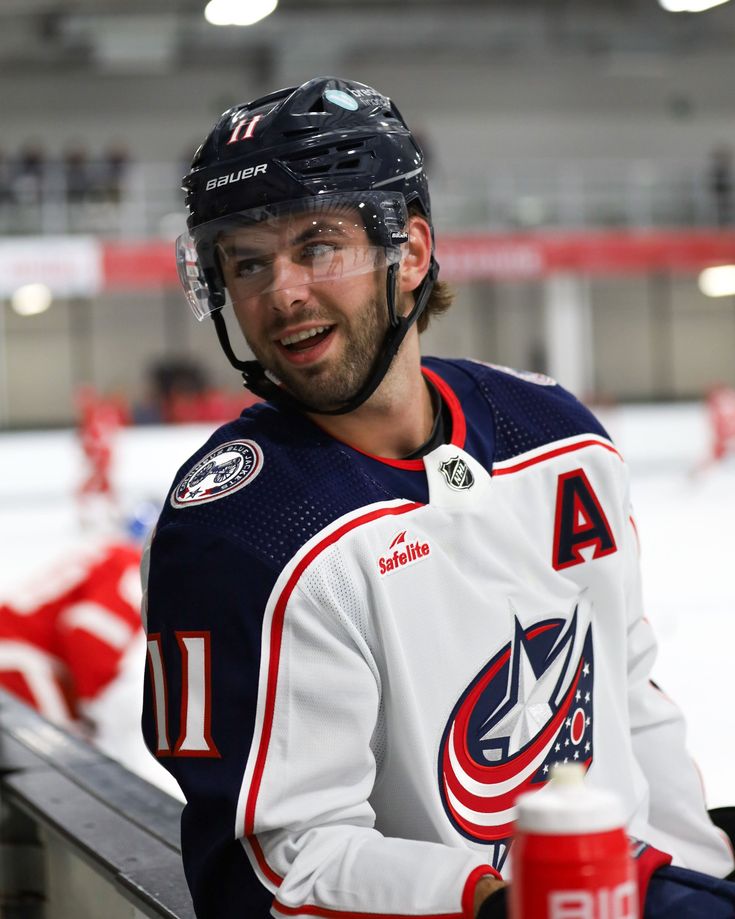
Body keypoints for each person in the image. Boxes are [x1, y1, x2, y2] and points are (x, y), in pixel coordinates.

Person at [141, 77, 735, 918]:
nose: (283, 293)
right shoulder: (241, 530)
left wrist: (703, 875)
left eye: (318, 246)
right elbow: (279, 868)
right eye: (246, 262)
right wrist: (503, 903)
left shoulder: (556, 434)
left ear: (410, 251)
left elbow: (626, 700)